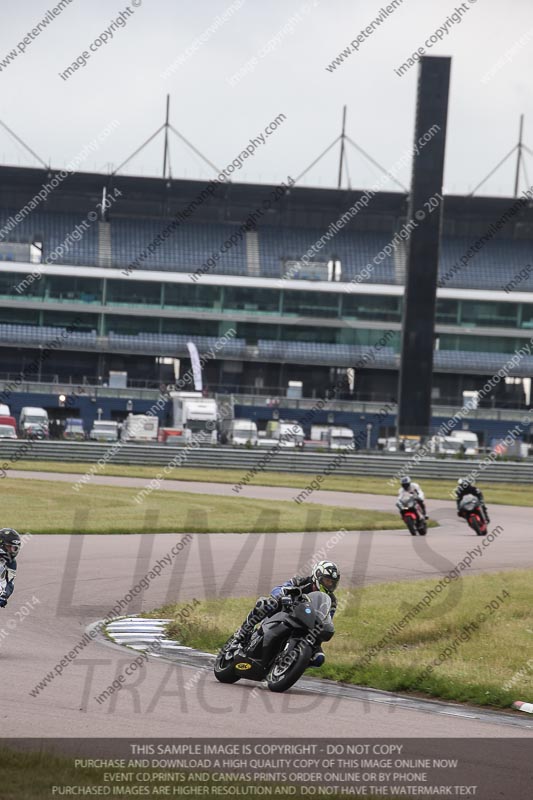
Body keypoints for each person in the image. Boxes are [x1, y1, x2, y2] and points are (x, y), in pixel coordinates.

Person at [231, 560, 340, 667]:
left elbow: (327, 618)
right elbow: (278, 589)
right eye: (327, 581)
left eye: (332, 582)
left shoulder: (332, 601)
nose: (329, 584)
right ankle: (242, 632)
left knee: (319, 658)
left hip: (308, 625)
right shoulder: (301, 582)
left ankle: (294, 664)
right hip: (287, 611)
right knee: (265, 604)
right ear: (317, 576)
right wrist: (284, 595)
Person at [0, 528, 21, 608]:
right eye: (10, 547)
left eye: (14, 548)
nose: (12, 551)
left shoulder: (11, 563)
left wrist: (3, 596)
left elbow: (9, 583)